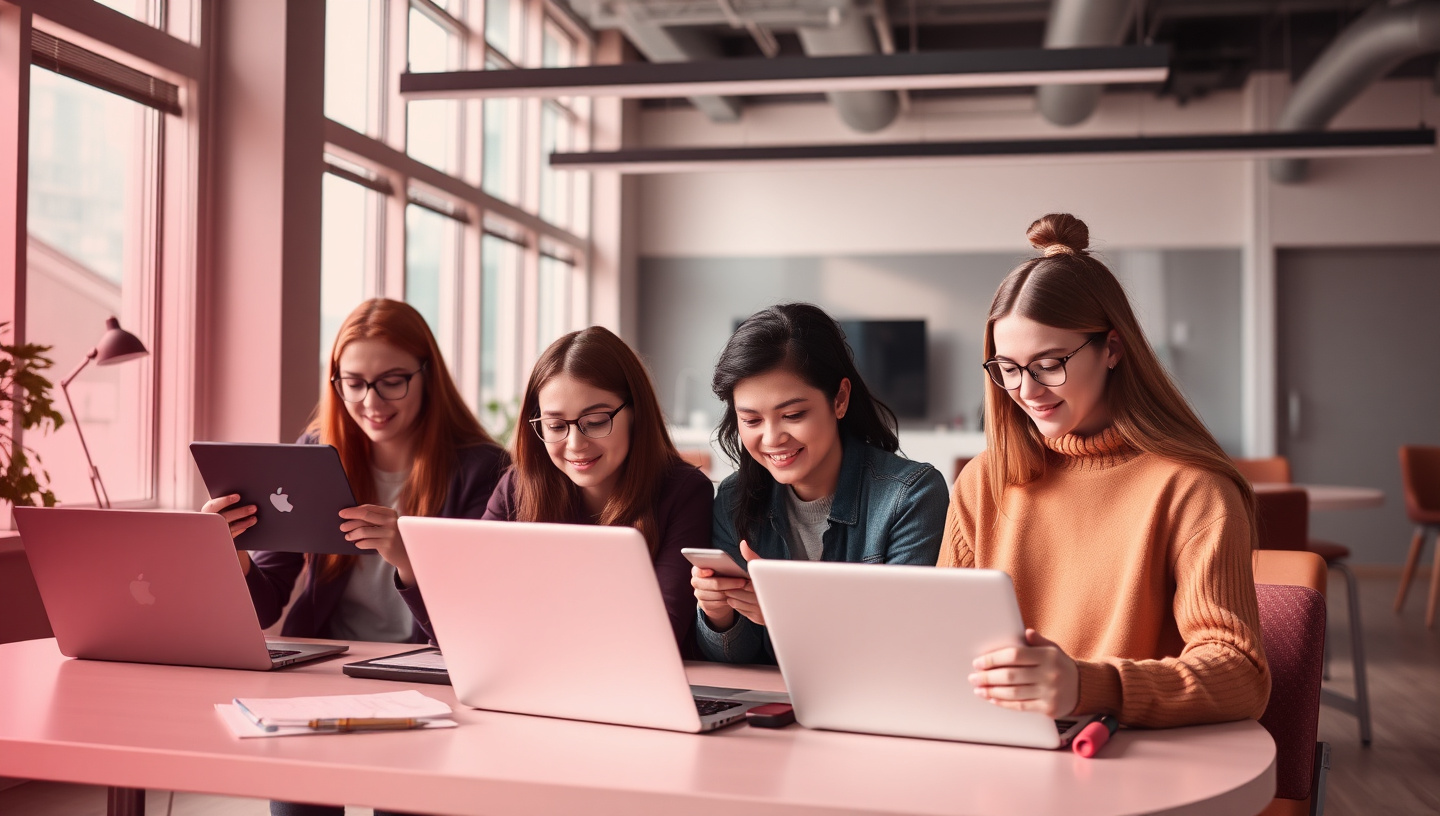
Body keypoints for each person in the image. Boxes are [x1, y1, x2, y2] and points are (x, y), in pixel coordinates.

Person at [944, 213, 1270, 728]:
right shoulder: (983, 481)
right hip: (994, 743)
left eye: (1050, 363)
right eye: (1007, 368)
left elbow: (1240, 673)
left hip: (1121, 753)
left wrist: (1089, 686)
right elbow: (945, 639)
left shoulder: (1193, 489)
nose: (1027, 391)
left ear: (1112, 349)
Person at [203, 298, 509, 646]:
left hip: (427, 666)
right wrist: (234, 552)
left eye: (392, 382)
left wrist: (408, 561)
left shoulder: (483, 470)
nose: (371, 402)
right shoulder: (313, 455)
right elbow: (265, 611)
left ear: (428, 376)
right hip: (328, 662)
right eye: (354, 383)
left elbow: (473, 629)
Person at [400, 326, 713, 650]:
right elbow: (460, 627)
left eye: (595, 422)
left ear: (636, 413)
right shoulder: (518, 488)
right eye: (555, 426)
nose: (575, 443)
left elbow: (659, 636)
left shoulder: (684, 493)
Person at [692, 303, 949, 664]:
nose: (772, 438)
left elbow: (901, 645)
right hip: (773, 704)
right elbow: (736, 658)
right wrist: (719, 613)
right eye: (750, 420)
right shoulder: (736, 498)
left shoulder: (911, 495)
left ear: (840, 399)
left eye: (793, 415)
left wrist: (791, 615)